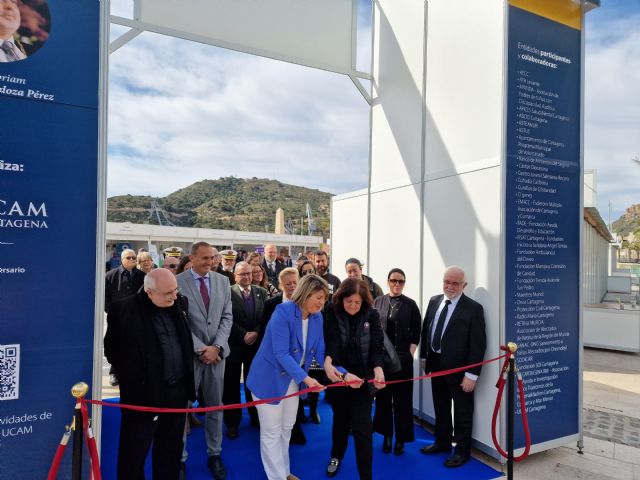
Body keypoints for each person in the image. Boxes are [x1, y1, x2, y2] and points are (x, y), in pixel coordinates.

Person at [104, 268, 196, 480]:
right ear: (149, 292)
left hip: (176, 393)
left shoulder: (179, 303)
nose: (174, 296)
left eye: (175, 290)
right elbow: (112, 351)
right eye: (168, 293)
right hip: (142, 397)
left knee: (170, 450)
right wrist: (138, 377)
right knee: (134, 454)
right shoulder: (123, 310)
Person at [246, 274, 337, 480]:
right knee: (271, 432)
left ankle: (284, 472)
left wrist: (338, 372)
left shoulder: (317, 317)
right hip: (267, 381)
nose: (322, 302)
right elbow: (281, 353)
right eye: (319, 297)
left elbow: (320, 352)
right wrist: (306, 379)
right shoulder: (283, 312)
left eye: (324, 298)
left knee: (286, 429)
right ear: (305, 293)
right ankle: (276, 477)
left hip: (293, 381)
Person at [419, 266, 487, 468]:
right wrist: (424, 357)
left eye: (455, 283)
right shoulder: (434, 301)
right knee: (440, 407)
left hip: (460, 371)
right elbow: (426, 330)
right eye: (446, 282)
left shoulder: (474, 309)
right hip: (436, 365)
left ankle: (462, 451)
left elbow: (478, 344)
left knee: (462, 412)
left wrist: (472, 375)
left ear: (464, 285)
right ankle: (442, 442)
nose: (449, 286)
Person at [176, 242, 233, 480]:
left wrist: (217, 346)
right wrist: (202, 348)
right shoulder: (177, 282)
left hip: (217, 356)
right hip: (190, 357)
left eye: (212, 258)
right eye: (205, 258)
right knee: (183, 408)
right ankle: (179, 459)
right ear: (192, 258)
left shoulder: (222, 281)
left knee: (214, 406)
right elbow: (178, 321)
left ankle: (214, 454)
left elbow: (227, 316)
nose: (209, 262)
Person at [323, 278, 385, 479]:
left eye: (357, 302)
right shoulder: (332, 312)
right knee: (340, 421)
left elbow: (377, 346)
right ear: (341, 298)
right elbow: (331, 342)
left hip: (363, 381)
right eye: (349, 301)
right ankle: (336, 456)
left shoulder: (372, 314)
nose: (353, 306)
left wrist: (378, 370)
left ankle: (366, 475)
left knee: (363, 429)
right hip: (339, 376)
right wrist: (335, 367)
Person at [372, 268, 422, 455]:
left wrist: (411, 351)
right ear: (388, 281)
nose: (397, 284)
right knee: (384, 400)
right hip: (382, 362)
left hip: (403, 361)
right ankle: (386, 436)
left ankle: (401, 439)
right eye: (394, 280)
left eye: (401, 281)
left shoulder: (411, 305)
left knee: (403, 401)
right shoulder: (378, 302)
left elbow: (417, 329)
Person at [223, 262, 267, 438]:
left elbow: (265, 317)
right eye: (242, 274)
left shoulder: (261, 292)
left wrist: (256, 332)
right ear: (235, 276)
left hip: (254, 347)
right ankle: (232, 423)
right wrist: (243, 335)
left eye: (249, 274)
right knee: (231, 386)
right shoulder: (227, 293)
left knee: (254, 383)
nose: (247, 277)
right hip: (234, 346)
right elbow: (224, 318)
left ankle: (256, 418)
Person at [104, 248, 146, 386]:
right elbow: (104, 297)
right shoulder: (110, 276)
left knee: (136, 346)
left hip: (138, 318)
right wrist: (112, 311)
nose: (132, 260)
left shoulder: (143, 276)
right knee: (117, 345)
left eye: (134, 258)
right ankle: (114, 373)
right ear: (121, 260)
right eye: (129, 258)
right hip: (117, 318)